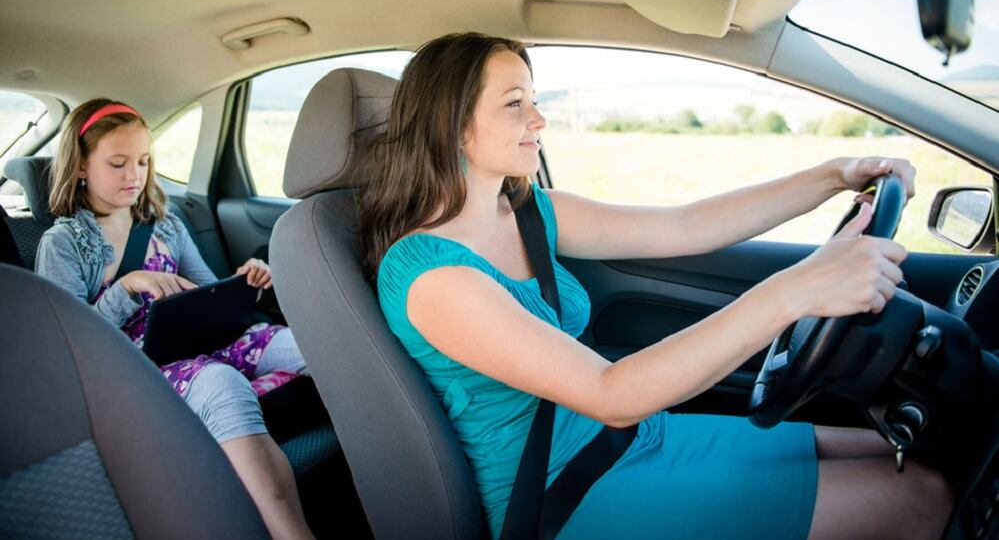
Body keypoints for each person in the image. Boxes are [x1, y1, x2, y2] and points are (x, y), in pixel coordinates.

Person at [359, 32, 954, 539]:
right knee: (921, 498)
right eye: (515, 104)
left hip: (631, 437)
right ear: (453, 127)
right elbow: (610, 390)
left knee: (906, 453)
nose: (538, 119)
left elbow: (685, 225)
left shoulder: (529, 211)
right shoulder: (432, 276)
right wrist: (796, 290)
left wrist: (832, 176)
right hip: (561, 494)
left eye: (534, 100)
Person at [36, 99, 314, 540]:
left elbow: (208, 291)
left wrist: (246, 281)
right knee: (220, 381)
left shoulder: (165, 224)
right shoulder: (64, 243)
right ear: (82, 166)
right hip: (137, 369)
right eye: (118, 163)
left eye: (144, 161)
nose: (134, 175)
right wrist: (127, 287)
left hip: (204, 342)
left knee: (314, 347)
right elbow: (70, 345)